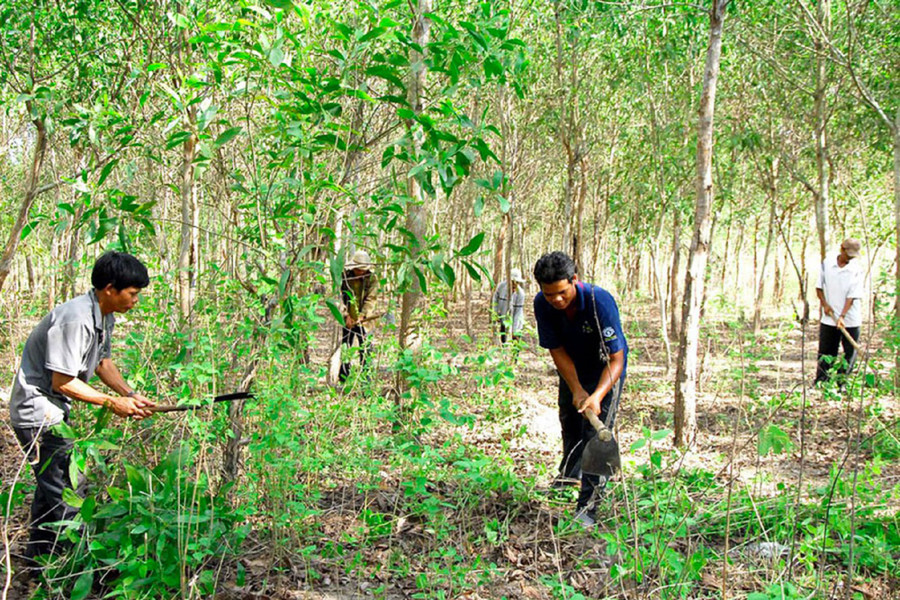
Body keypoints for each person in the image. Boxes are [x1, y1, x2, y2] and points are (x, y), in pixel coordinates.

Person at [9, 251, 155, 566]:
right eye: (132, 294)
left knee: (51, 489)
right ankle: (74, 571)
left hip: (52, 410)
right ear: (110, 288)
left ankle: (39, 564)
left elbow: (102, 362)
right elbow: (63, 381)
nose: (135, 300)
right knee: (69, 492)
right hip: (38, 413)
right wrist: (113, 403)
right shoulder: (75, 318)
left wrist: (130, 394)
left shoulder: (104, 314)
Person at [532, 251, 627, 527]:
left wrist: (596, 395)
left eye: (562, 292)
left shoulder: (600, 302)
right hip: (572, 365)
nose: (556, 300)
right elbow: (556, 349)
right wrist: (575, 388)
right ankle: (568, 476)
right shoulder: (542, 304)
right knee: (570, 421)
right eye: (549, 295)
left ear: (574, 280)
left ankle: (589, 506)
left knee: (596, 435)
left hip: (605, 368)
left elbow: (616, 358)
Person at [815, 238, 864, 385]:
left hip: (850, 319)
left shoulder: (857, 269)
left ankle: (841, 383)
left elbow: (852, 296)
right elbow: (819, 287)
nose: (850, 259)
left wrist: (842, 316)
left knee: (849, 354)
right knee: (826, 352)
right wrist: (825, 304)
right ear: (841, 249)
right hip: (829, 318)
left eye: (852, 256)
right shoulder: (827, 264)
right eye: (848, 255)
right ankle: (822, 382)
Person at [339, 249, 377, 382]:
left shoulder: (372, 279)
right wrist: (345, 315)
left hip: (364, 322)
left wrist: (363, 316)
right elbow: (338, 297)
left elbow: (371, 299)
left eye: (363, 269)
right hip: (347, 321)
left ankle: (366, 382)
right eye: (359, 269)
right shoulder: (344, 276)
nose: (361, 272)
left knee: (366, 350)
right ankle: (343, 379)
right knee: (346, 348)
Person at [492, 268, 526, 344]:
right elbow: (495, 299)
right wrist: (496, 313)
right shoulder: (501, 286)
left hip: (516, 322)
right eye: (513, 282)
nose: (514, 284)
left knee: (515, 343)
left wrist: (514, 330)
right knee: (503, 340)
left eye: (517, 282)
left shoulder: (520, 294)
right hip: (504, 320)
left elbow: (518, 313)